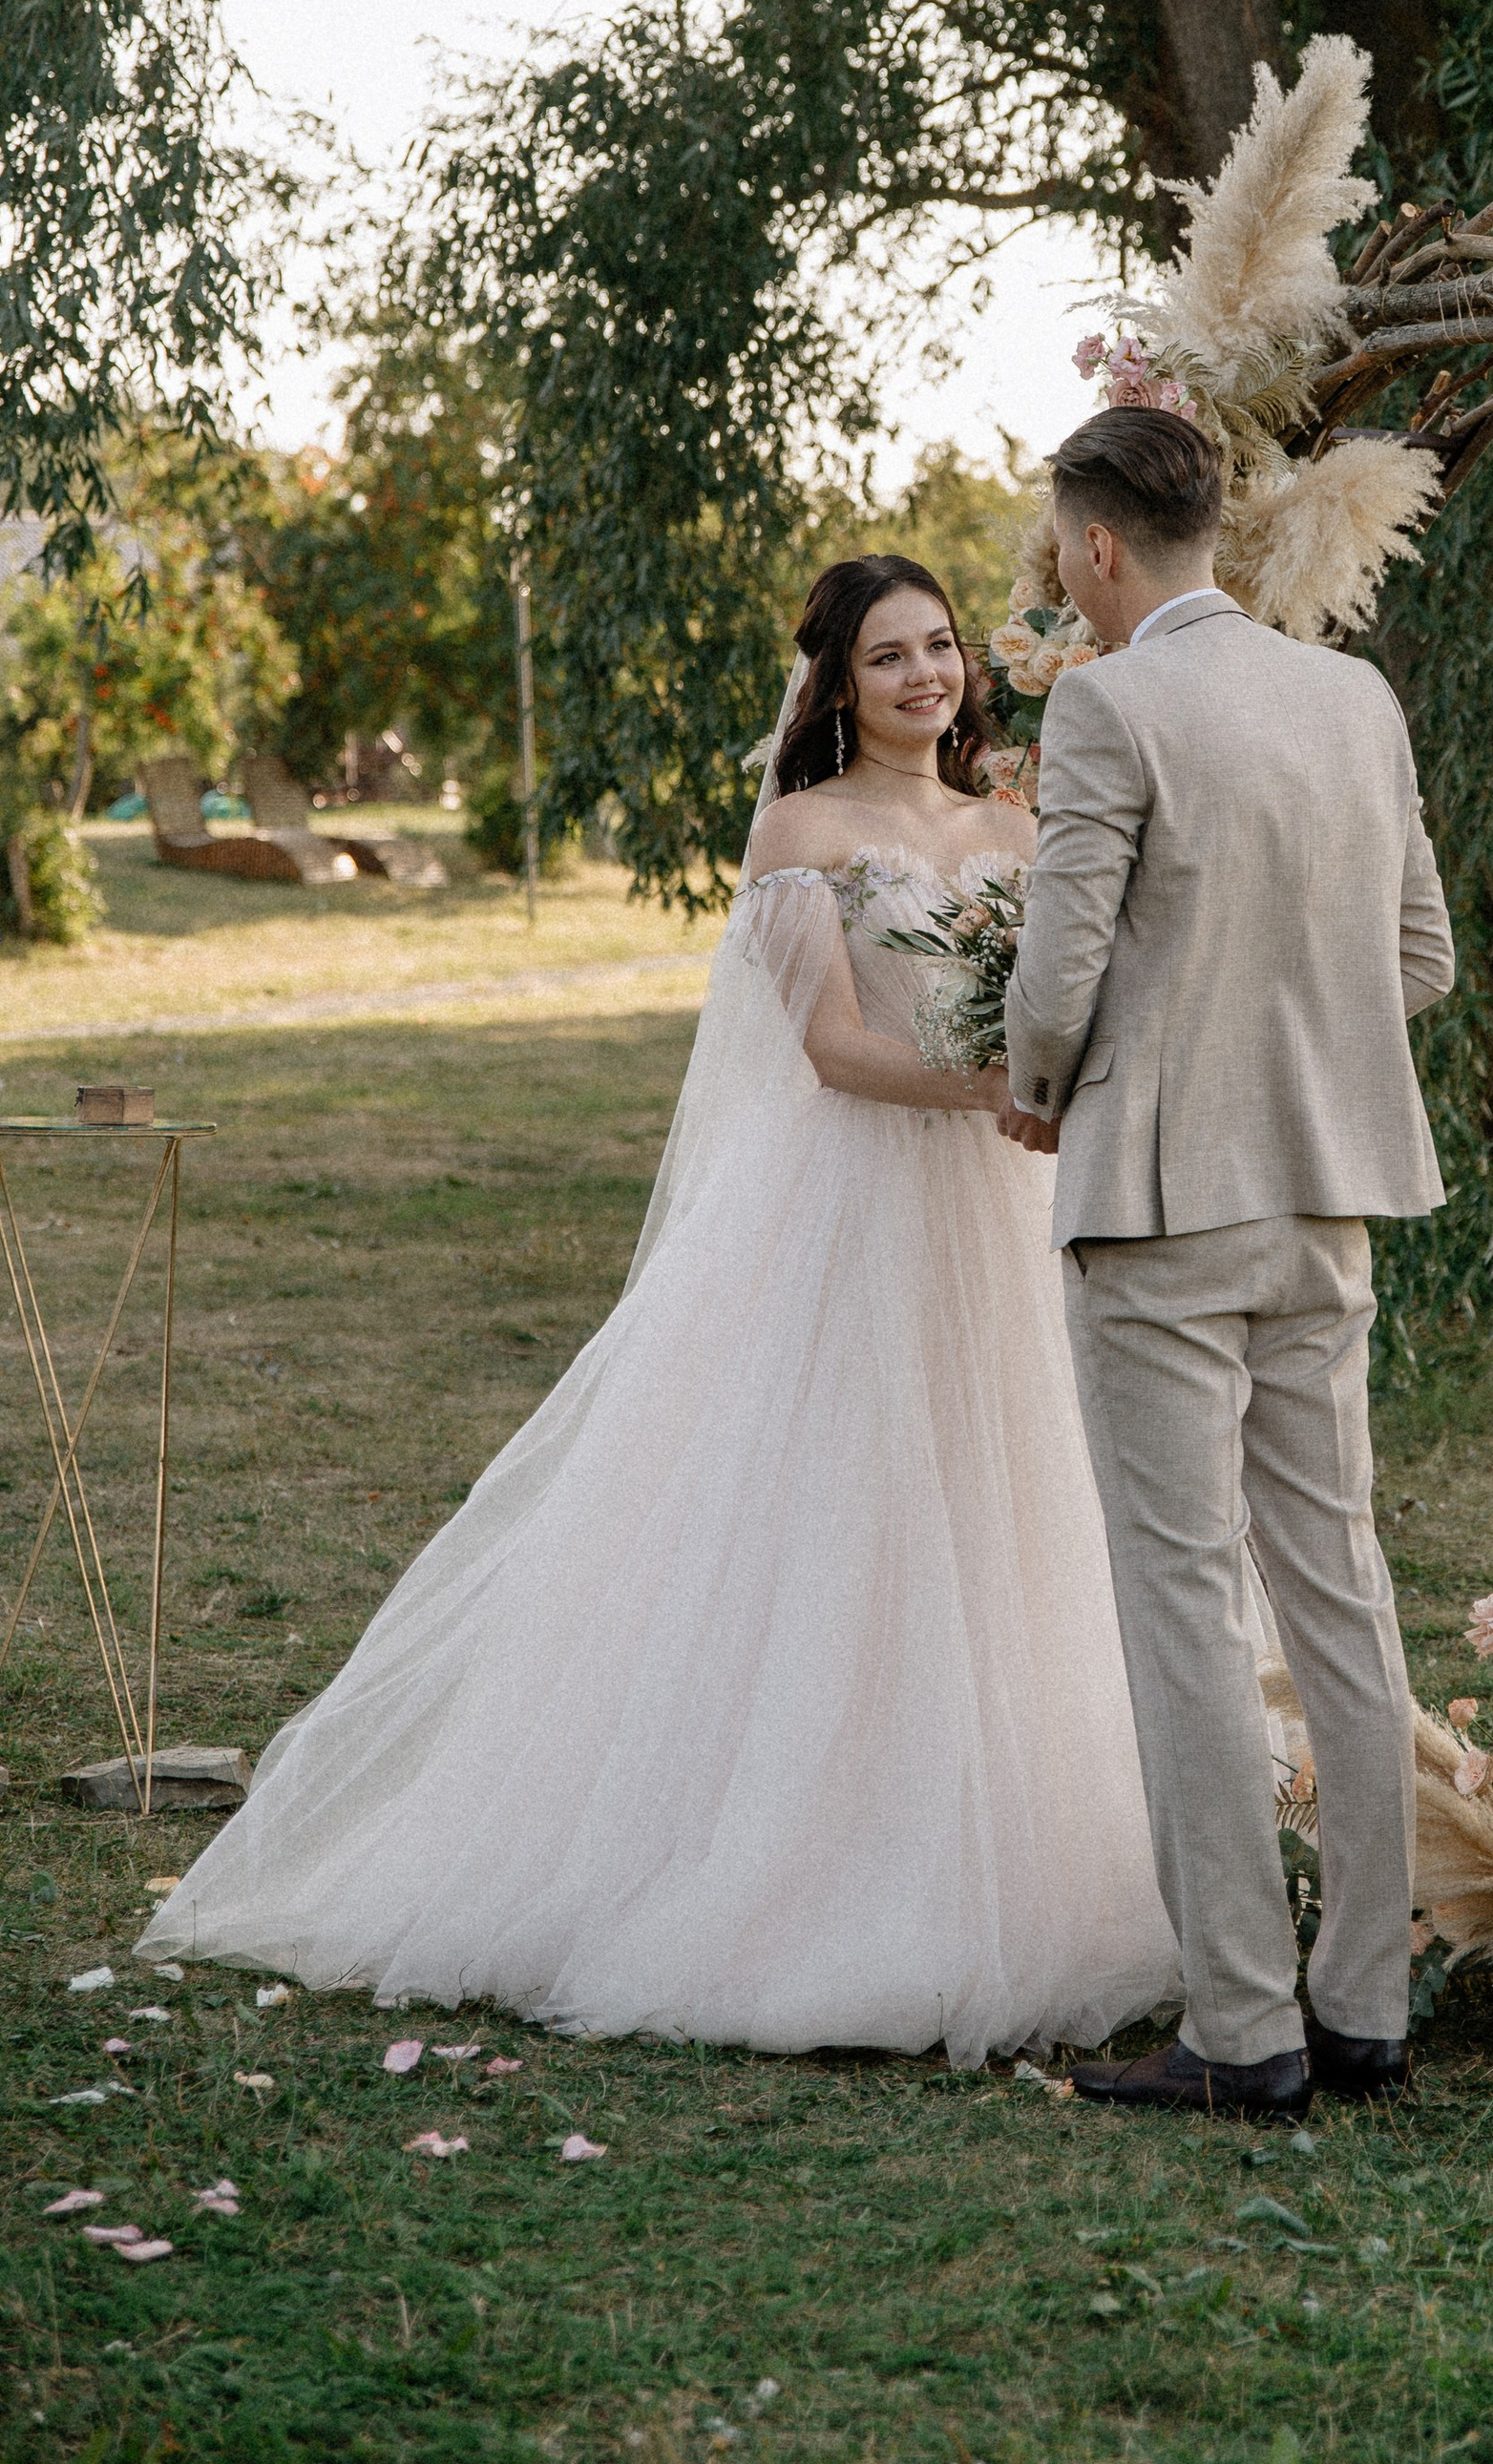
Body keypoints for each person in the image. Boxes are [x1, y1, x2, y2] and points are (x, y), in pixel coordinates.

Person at [138, 555, 1181, 2064]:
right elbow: (825, 1045)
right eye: (888, 657)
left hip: (998, 1211)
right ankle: (805, 1860)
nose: (926, 677)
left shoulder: (1016, 824)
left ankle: (1012, 1830)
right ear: (835, 684)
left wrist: (1048, 1080)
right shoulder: (798, 834)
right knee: (845, 1514)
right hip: (858, 1209)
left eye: (941, 646)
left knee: (1009, 1507)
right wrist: (995, 1086)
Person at [1001, 406, 1454, 2123]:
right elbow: (1420, 955)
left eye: (1059, 543)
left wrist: (1052, 1091)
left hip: (1163, 1205)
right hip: (1328, 1195)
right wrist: (1297, 1038)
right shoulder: (1354, 698)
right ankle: (1368, 2013)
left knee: (1186, 1596)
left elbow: (1053, 986)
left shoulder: (1109, 701)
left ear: (1098, 548)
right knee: (1336, 1583)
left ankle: (1244, 2032)